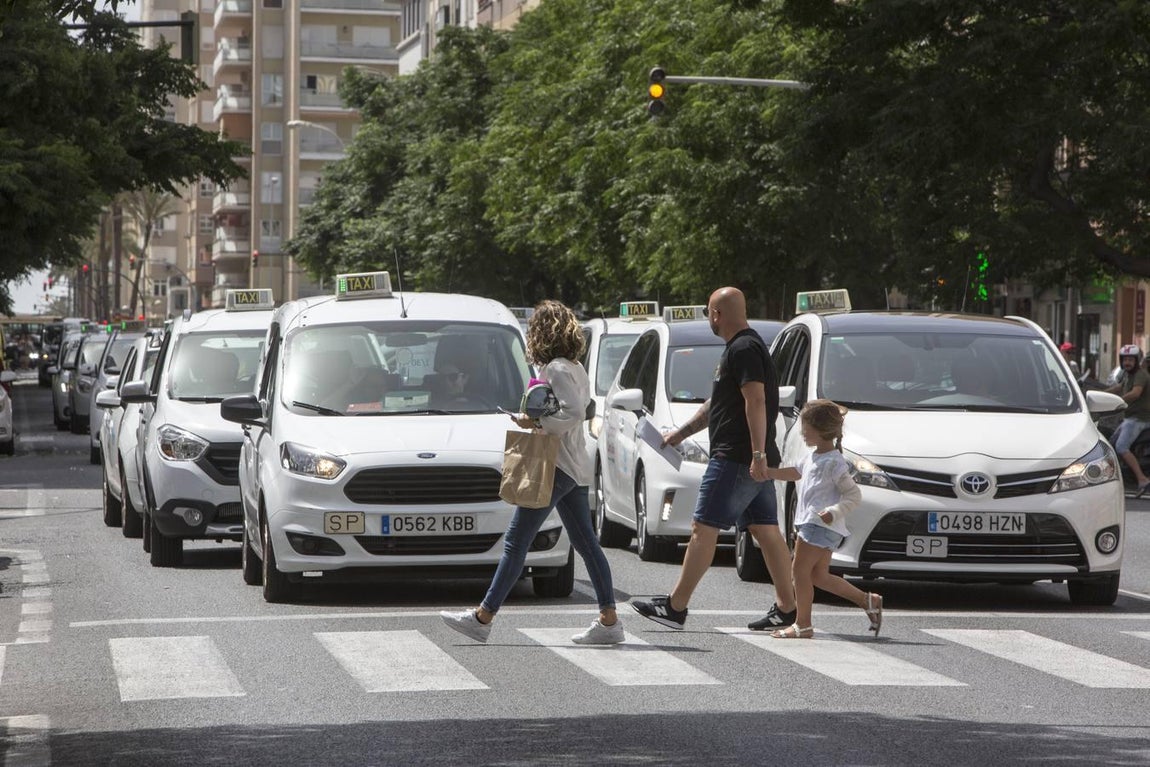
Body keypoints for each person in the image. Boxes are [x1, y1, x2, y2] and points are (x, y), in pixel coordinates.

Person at [441, 300, 623, 645]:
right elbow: (580, 411)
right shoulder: (574, 366)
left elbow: (571, 413)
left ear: (542, 332)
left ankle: (483, 617)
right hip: (571, 465)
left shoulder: (556, 368)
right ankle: (609, 620)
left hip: (556, 465)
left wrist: (534, 420)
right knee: (586, 545)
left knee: (515, 542)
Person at [630, 286, 797, 632]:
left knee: (702, 528)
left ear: (717, 314)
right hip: (749, 459)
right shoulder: (742, 349)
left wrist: (756, 454)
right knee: (766, 531)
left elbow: (755, 401)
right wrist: (678, 434)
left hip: (736, 459)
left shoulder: (744, 349)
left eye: (709, 312)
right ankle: (787, 607)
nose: (709, 318)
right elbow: (717, 405)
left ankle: (675, 608)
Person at [761, 399, 882, 639]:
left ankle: (802, 624)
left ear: (820, 429)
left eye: (805, 427)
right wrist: (768, 473)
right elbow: (795, 472)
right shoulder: (813, 457)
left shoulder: (834, 462)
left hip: (819, 524)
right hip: (816, 524)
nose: (802, 432)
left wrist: (834, 512)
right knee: (818, 576)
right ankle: (867, 600)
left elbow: (854, 495)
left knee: (799, 572)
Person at [1105, 344, 1150, 494]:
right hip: (1129, 418)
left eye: (1131, 359)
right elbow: (1119, 387)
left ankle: (1142, 479)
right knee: (1110, 444)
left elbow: (1136, 393)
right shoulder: (1127, 374)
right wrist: (1101, 393)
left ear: (1137, 360)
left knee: (1121, 447)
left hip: (1139, 418)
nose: (1127, 363)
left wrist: (1118, 402)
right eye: (1125, 360)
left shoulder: (1141, 375)